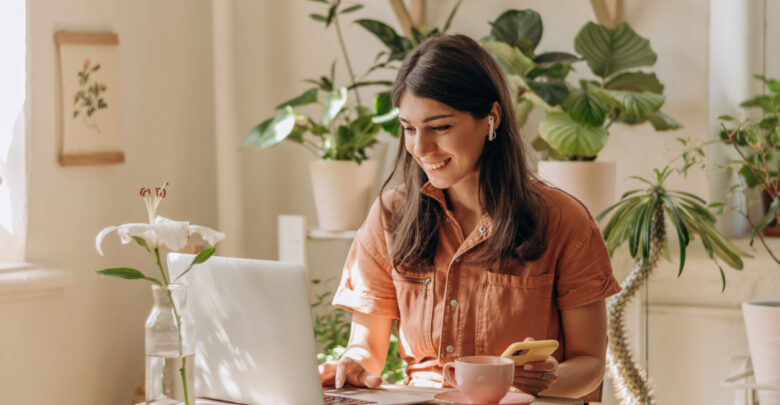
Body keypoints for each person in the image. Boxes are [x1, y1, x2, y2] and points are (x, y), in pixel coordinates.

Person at [318, 34, 621, 400]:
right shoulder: (390, 215)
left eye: (440, 127)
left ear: (491, 118)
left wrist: (548, 379)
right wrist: (352, 364)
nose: (420, 148)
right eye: (409, 128)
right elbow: (367, 350)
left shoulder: (564, 220)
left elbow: (590, 364)